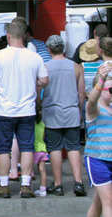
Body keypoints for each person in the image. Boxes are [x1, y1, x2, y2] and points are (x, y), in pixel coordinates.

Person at [0, 20, 49, 198]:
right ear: (24, 36)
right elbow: (45, 80)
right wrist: (33, 83)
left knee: (3, 148)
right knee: (27, 146)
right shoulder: (34, 57)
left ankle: (4, 184)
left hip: (4, 109)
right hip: (27, 110)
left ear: (8, 36)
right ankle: (26, 185)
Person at [42, 34, 86, 197]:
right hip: (71, 111)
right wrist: (79, 110)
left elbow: (40, 90)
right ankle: (78, 182)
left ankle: (58, 184)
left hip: (52, 112)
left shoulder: (45, 67)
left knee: (54, 148)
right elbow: (81, 94)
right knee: (74, 147)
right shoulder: (76, 67)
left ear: (49, 49)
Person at [84, 60, 112, 217]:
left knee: (99, 202)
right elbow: (92, 100)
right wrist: (101, 80)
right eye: (110, 89)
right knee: (109, 203)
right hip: (97, 159)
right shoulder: (93, 109)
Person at [33, 108, 49, 197]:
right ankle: (43, 189)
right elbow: (43, 137)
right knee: (42, 170)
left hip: (33, 150)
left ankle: (28, 188)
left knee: (29, 171)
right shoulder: (42, 124)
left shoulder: (30, 125)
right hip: (42, 149)